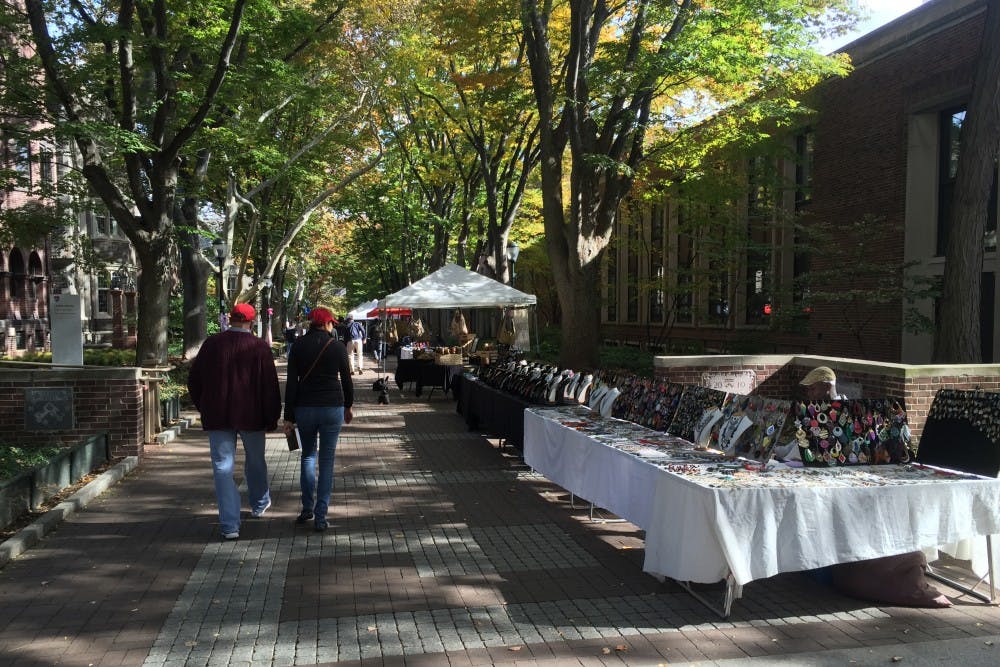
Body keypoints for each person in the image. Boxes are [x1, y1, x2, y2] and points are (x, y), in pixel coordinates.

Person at [187, 303, 281, 540]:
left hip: (218, 415)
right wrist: (272, 417)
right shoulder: (259, 347)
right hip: (253, 415)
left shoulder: (212, 344)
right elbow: (270, 386)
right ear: (251, 321)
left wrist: (205, 406)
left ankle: (230, 524)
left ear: (230, 319)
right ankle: (259, 502)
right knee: (256, 461)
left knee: (222, 468)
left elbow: (194, 380)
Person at [283, 307, 354, 531]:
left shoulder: (298, 346)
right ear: (326, 324)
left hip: (304, 407)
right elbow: (346, 379)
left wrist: (288, 416)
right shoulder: (337, 346)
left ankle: (307, 507)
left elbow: (292, 383)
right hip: (332, 406)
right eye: (332, 323)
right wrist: (348, 405)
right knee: (327, 461)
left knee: (307, 456)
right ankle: (321, 515)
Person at [772, 366, 844, 463]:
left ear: (827, 387)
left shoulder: (842, 407)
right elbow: (806, 437)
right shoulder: (816, 406)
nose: (809, 394)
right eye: (808, 390)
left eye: (812, 389)